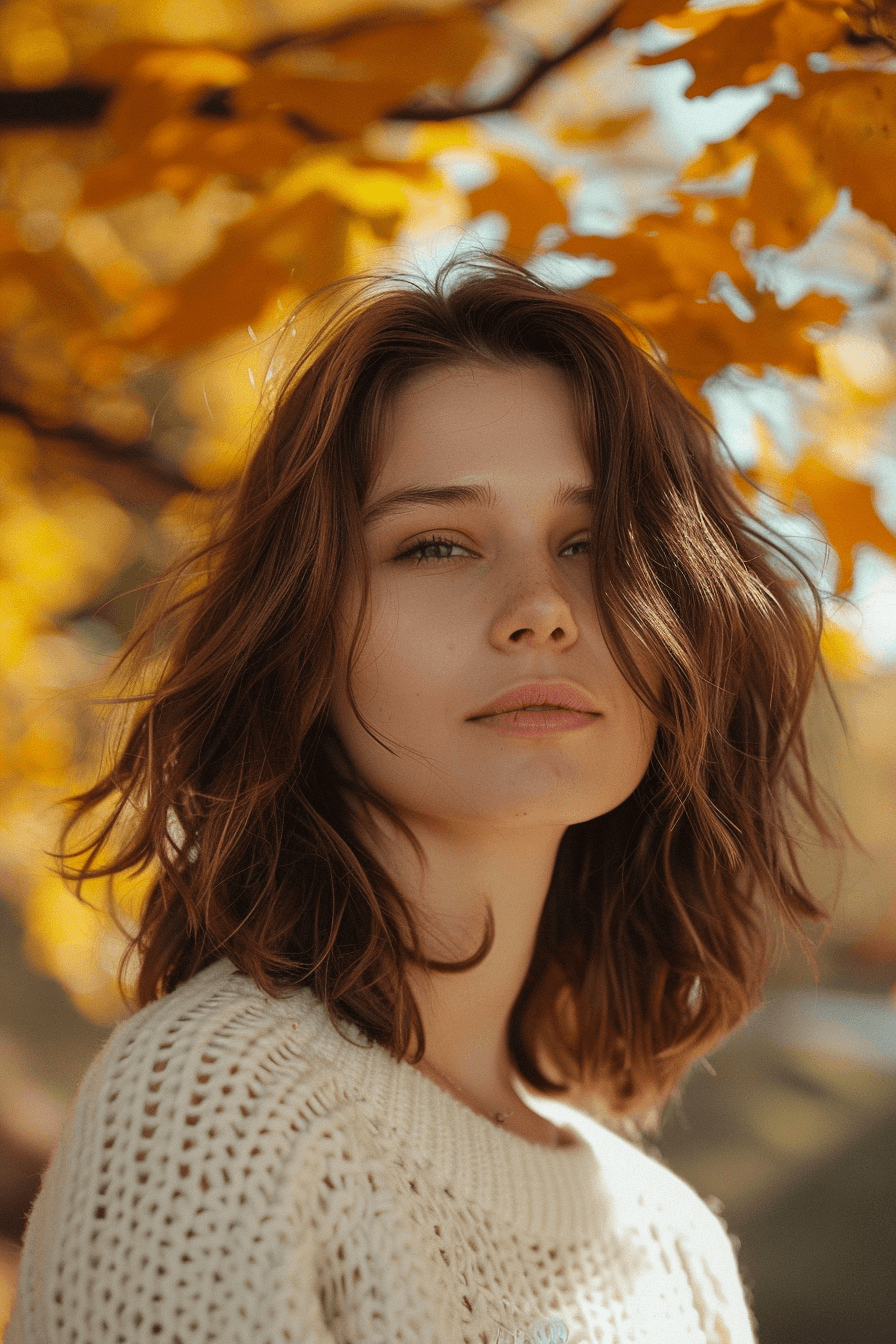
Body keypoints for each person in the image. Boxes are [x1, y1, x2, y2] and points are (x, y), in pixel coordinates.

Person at [7, 254, 838, 1344]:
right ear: (302, 639)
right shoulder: (211, 1100)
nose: (540, 607)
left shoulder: (669, 1241)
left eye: (590, 544)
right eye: (435, 544)